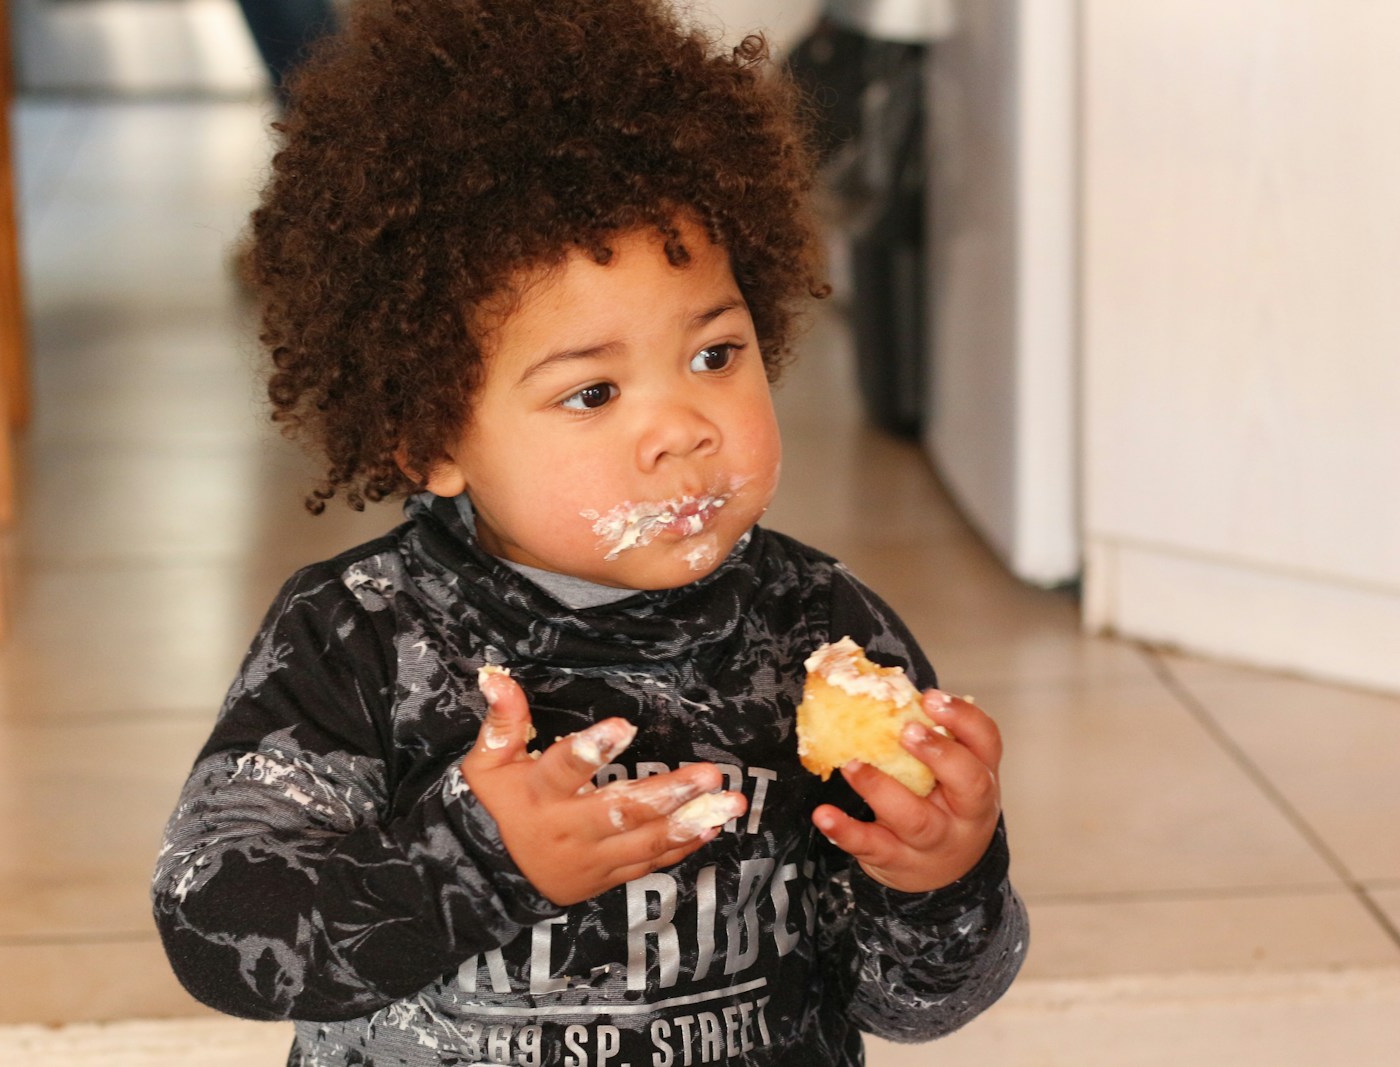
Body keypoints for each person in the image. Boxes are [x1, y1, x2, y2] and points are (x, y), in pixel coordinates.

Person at [151, 2, 1028, 1064]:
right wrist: (472, 866)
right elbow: (216, 925)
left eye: (715, 354)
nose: (680, 429)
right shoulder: (358, 641)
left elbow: (915, 1005)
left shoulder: (819, 633)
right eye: (593, 390)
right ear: (430, 435)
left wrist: (944, 872)